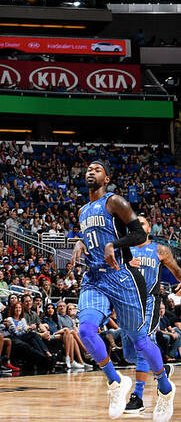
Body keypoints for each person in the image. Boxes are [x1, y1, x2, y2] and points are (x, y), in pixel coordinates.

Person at [70, 159, 175, 421]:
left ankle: (164, 389)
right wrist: (80, 243)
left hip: (120, 278)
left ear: (106, 178)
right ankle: (115, 383)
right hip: (94, 278)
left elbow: (139, 235)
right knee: (85, 329)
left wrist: (114, 245)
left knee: (140, 341)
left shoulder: (115, 202)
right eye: (88, 169)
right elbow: (93, 237)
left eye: (97, 169)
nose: (90, 171)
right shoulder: (83, 210)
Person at [121, 215, 181, 414]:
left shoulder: (159, 250)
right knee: (129, 353)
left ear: (148, 229)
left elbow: (177, 271)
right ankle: (161, 369)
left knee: (141, 345)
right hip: (128, 303)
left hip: (149, 301)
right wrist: (127, 266)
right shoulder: (124, 249)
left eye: (142, 222)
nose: (138, 225)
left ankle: (137, 397)